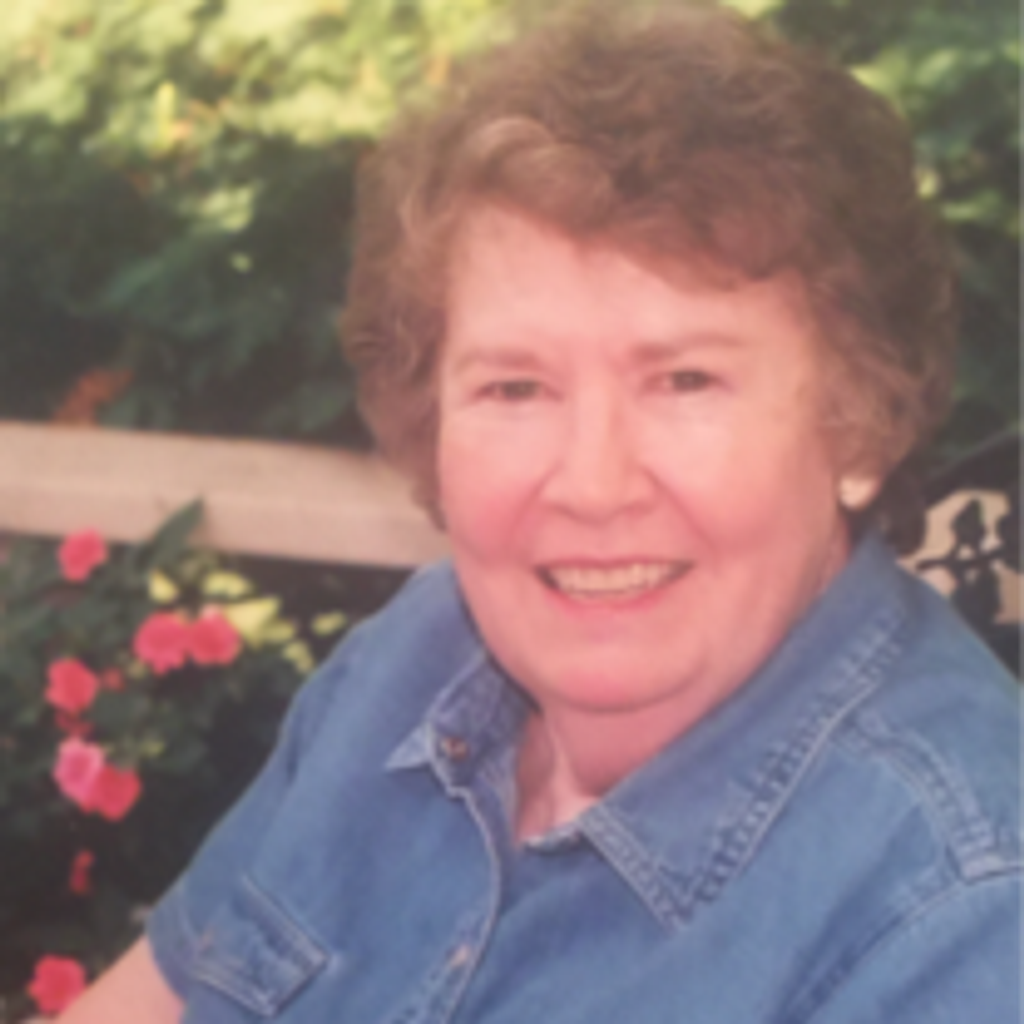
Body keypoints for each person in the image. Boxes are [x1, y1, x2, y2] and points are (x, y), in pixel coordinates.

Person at [58, 2, 1023, 1021]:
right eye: (514, 387)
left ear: (858, 423)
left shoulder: (962, 911)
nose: (591, 484)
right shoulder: (413, 662)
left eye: (685, 380)